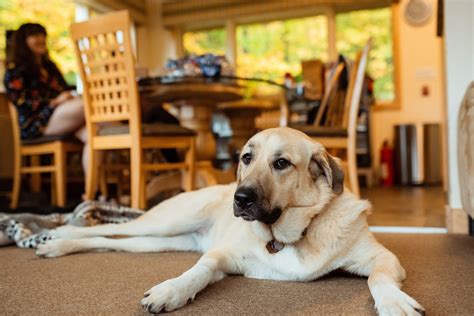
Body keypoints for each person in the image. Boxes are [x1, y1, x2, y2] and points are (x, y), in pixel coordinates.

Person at [4, 23, 88, 169]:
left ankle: (95, 192)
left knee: (93, 135)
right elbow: (23, 103)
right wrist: (54, 102)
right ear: (23, 41)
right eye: (35, 35)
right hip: (36, 123)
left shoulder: (50, 67)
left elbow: (66, 88)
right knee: (88, 106)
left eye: (42, 35)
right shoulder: (15, 71)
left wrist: (66, 97)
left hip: (61, 117)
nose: (41, 39)